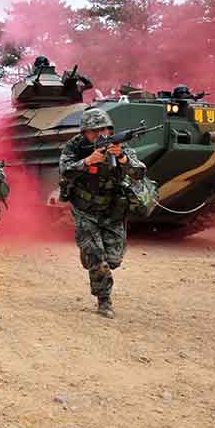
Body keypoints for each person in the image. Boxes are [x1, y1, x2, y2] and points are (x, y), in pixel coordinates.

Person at [58, 108, 147, 319]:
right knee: (98, 260)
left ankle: (90, 256)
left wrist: (123, 159)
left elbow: (140, 172)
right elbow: (64, 171)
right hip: (84, 210)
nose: (101, 135)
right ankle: (104, 301)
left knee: (113, 260)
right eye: (95, 131)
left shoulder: (119, 147)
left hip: (112, 211)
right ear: (85, 132)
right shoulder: (75, 146)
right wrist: (88, 161)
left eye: (105, 130)